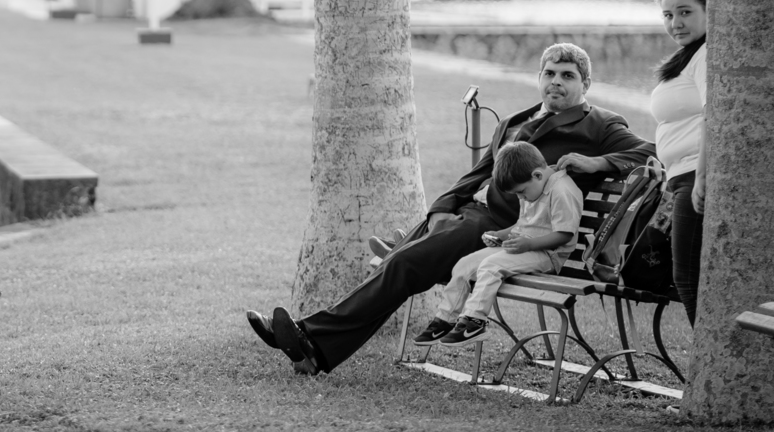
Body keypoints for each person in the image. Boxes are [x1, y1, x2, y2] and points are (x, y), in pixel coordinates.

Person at [246, 42, 655, 375]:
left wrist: (597, 162)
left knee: (405, 265)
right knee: (405, 264)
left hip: (505, 227)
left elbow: (648, 151)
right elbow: (478, 172)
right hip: (469, 214)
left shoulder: (599, 124)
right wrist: (442, 206)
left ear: (586, 83)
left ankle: (311, 339)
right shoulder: (517, 119)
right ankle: (312, 345)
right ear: (539, 77)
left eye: (568, 76)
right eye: (549, 73)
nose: (556, 82)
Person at [412, 141, 583, 346]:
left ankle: (474, 321)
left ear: (537, 175)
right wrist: (500, 235)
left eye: (521, 192)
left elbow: (564, 235)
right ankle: (445, 319)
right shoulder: (534, 185)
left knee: (490, 267)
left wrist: (528, 245)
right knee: (464, 265)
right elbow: (524, 225)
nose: (521, 198)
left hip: (547, 254)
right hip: (522, 246)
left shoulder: (562, 190)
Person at [650, 0, 707, 325]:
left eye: (685, 12)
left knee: (688, 278)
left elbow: (713, 114)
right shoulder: (690, 55)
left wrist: (702, 177)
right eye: (668, 15)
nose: (676, 23)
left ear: (709, 10)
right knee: (687, 277)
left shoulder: (707, 54)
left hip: (693, 178)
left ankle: (708, 367)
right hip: (680, 178)